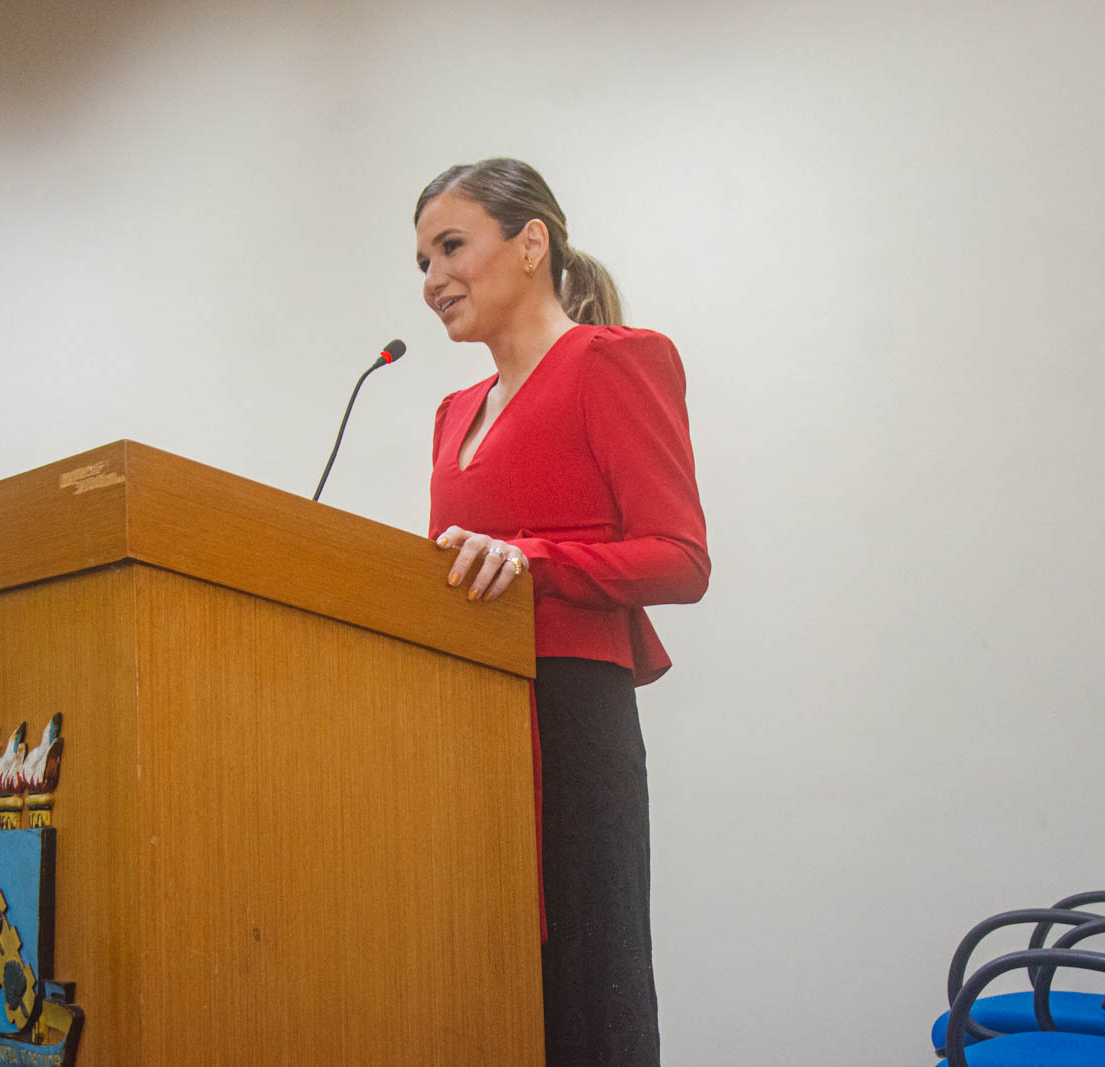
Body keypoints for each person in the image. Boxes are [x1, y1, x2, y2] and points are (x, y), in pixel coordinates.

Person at [416, 158, 710, 1065]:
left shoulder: (614, 361)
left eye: (451, 246)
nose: (433, 279)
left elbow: (682, 558)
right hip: (468, 725)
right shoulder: (451, 411)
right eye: (422, 261)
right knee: (484, 986)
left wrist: (534, 559)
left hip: (572, 718)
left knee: (587, 989)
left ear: (531, 242)